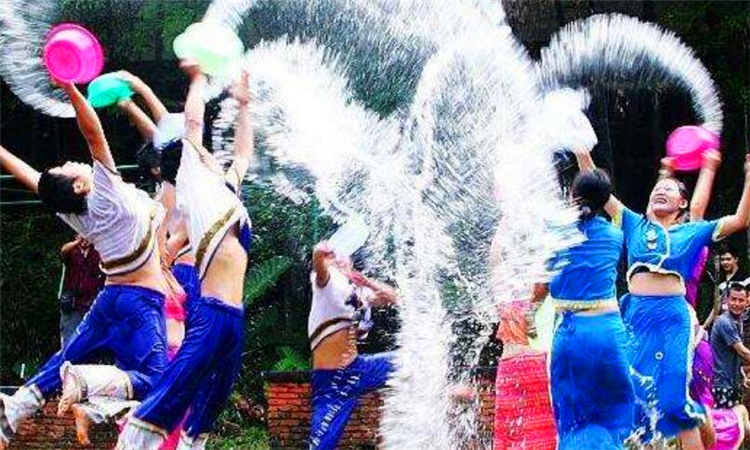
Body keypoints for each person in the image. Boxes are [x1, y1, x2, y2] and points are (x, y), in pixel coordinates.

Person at [0, 81, 168, 450]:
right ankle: (88, 384)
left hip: (109, 300)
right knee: (158, 381)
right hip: (141, 303)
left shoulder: (74, 212)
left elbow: (31, 178)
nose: (72, 162)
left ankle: (16, 408)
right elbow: (93, 133)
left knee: (66, 357)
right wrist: (70, 88)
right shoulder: (105, 193)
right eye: (67, 167)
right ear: (78, 186)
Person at [116, 62, 254, 450]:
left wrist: (244, 106)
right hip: (211, 311)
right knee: (177, 384)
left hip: (235, 317)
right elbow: (192, 123)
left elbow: (243, 153)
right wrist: (197, 79)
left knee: (213, 398)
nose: (209, 154)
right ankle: (132, 443)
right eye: (201, 152)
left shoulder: (227, 191)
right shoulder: (194, 186)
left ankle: (189, 445)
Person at [575, 145, 750, 450]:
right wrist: (580, 151)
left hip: (673, 319)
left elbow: (739, 220)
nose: (660, 190)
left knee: (673, 402)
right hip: (636, 316)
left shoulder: (693, 231)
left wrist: (749, 178)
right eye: (658, 187)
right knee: (630, 396)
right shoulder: (634, 223)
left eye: (668, 188)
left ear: (682, 203)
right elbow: (598, 190)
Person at [537, 169, 634, 450]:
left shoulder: (556, 234)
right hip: (609, 332)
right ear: (604, 200)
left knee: (572, 418)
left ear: (572, 195)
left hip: (573, 334)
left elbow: (540, 290)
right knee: (614, 415)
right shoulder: (615, 235)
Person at [307, 240, 399, 450]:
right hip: (332, 382)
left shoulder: (357, 292)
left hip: (360, 369)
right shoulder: (326, 285)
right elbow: (320, 269)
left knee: (411, 359)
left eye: (343, 256)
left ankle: (448, 391)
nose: (339, 258)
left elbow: (393, 297)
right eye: (334, 257)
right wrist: (319, 253)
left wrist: (366, 281)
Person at [59, 234, 105, 347]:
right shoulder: (71, 251)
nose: (85, 240)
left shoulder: (97, 253)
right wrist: (77, 242)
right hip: (71, 304)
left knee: (88, 341)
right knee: (69, 340)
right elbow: (63, 252)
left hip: (90, 304)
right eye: (82, 236)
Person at [711, 284, 750, 409]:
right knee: (725, 421)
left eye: (741, 300)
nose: (736, 304)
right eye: (733, 299)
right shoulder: (725, 322)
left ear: (747, 302)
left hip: (733, 384)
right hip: (722, 385)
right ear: (726, 300)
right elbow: (743, 352)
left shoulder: (738, 321)